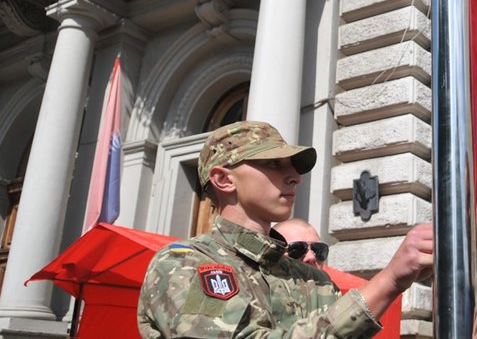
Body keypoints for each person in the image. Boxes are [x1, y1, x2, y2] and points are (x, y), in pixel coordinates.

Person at [138, 121, 433, 339]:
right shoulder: (185, 263)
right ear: (223, 179)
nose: (295, 177)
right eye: (273, 164)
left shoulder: (313, 280)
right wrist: (389, 280)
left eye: (292, 165)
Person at [275, 218, 403, 339]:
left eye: (318, 250)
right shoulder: (261, 294)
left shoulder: (336, 297)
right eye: (297, 249)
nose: (311, 257)